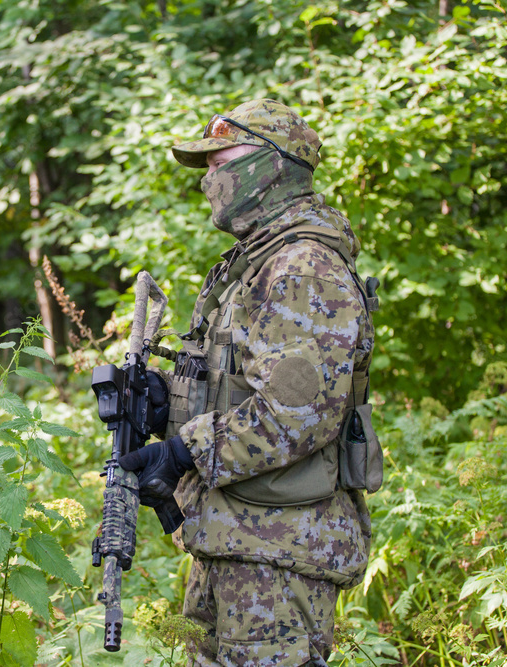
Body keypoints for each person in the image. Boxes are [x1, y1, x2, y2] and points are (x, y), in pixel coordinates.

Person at [119, 99, 376, 666]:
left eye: (220, 161)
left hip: (278, 558)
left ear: (271, 166)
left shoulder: (302, 267)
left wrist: (185, 450)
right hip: (238, 540)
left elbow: (298, 415)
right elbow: (243, 387)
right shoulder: (257, 264)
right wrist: (168, 402)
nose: (209, 179)